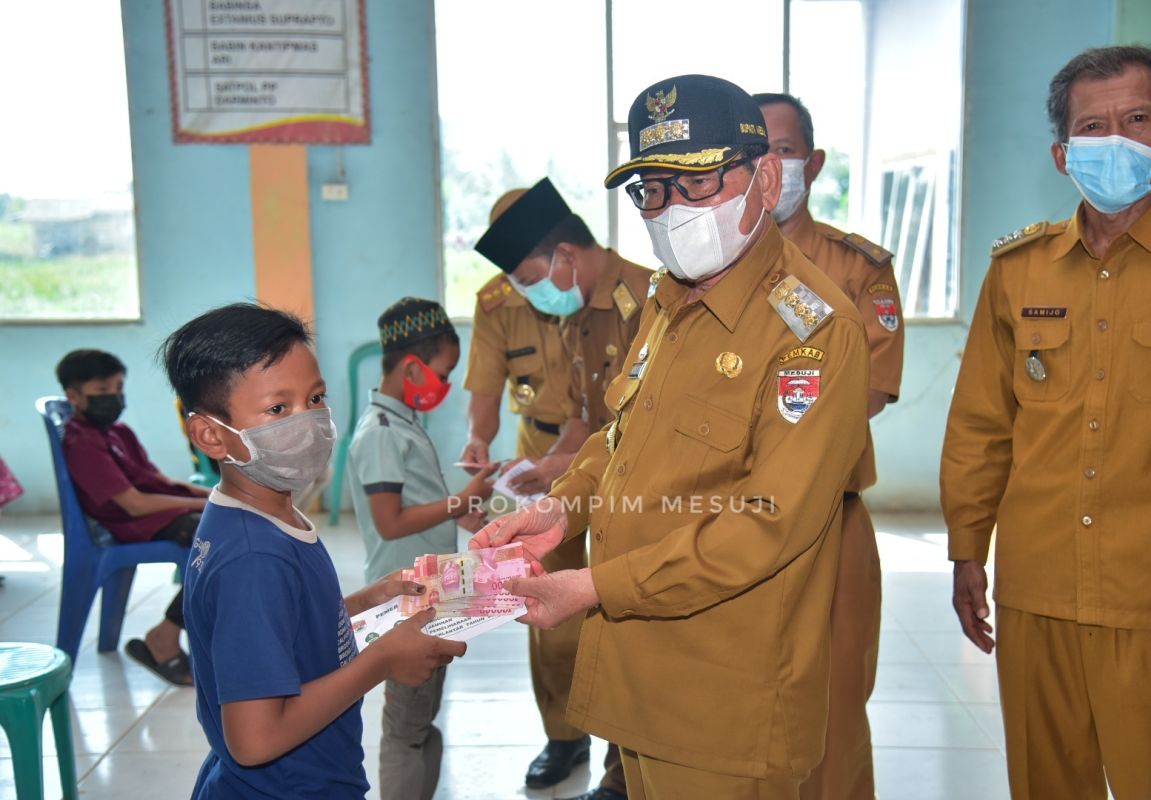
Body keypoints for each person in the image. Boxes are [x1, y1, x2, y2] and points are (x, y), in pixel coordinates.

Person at [473, 74, 870, 799]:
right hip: (641, 678)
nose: (671, 210)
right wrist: (563, 507)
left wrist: (593, 585)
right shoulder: (670, 297)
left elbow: (767, 528)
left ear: (765, 178)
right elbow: (621, 436)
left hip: (725, 700)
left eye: (699, 182)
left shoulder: (813, 331)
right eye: (653, 189)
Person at [940, 45, 1151, 799]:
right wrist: (965, 549)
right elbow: (981, 426)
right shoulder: (1019, 271)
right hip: (1036, 593)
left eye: (1136, 119)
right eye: (1093, 126)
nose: (1114, 139)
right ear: (1062, 153)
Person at [160, 303, 467, 798]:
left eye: (316, 398)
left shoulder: (262, 514)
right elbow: (255, 740)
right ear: (212, 436)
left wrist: (364, 602)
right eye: (278, 409)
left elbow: (283, 629)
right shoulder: (252, 559)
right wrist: (382, 661)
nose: (310, 422)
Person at [470, 178, 651, 798]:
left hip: (641, 490)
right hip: (580, 470)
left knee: (630, 622)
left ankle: (625, 769)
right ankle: (576, 741)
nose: (526, 291)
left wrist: (563, 467)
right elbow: (583, 410)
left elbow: (649, 429)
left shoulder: (648, 302)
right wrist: (549, 468)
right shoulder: (579, 308)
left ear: (565, 256)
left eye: (528, 274)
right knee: (553, 605)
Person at [754, 92, 904, 800]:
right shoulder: (702, 276)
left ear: (811, 162)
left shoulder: (856, 269)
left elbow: (868, 390)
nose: (772, 167)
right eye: (755, 153)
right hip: (727, 525)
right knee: (744, 711)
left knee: (836, 708)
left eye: (784, 150)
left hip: (827, 522)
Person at [347, 297, 496, 800]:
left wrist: (462, 509)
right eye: (443, 372)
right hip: (404, 600)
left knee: (423, 717)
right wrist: (461, 499)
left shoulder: (403, 423)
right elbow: (390, 523)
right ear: (412, 366)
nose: (445, 384)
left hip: (428, 593)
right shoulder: (383, 432)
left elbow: (414, 504)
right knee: (406, 729)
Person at [56, 348, 209, 686]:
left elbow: (162, 483)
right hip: (130, 526)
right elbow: (135, 505)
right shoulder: (82, 443)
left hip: (152, 516)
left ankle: (175, 632)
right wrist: (205, 506)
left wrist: (214, 495)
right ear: (74, 396)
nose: (113, 397)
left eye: (117, 387)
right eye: (101, 391)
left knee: (228, 529)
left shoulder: (118, 433)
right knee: (216, 543)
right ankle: (165, 636)